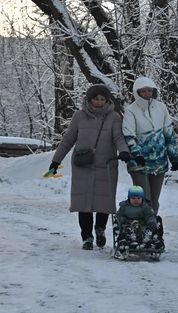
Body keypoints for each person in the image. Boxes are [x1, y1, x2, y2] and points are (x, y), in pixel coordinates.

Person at [45, 84, 133, 250]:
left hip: (105, 166)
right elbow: (68, 140)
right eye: (96, 99)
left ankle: (100, 230)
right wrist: (56, 161)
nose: (99, 102)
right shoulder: (79, 116)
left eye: (102, 99)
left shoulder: (114, 117)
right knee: (83, 203)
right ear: (89, 99)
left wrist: (124, 152)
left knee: (103, 202)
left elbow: (119, 138)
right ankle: (86, 236)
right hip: (83, 165)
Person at [121, 76, 178, 215]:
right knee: (143, 198)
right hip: (139, 163)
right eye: (143, 91)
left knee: (154, 200)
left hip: (159, 161)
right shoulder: (131, 111)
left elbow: (168, 134)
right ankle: (139, 227)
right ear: (137, 92)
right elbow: (129, 135)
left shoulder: (161, 107)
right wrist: (136, 153)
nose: (147, 94)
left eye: (149, 90)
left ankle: (152, 227)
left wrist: (174, 156)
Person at [114, 185, 161, 250]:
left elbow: (150, 215)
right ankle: (132, 240)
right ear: (129, 198)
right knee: (128, 230)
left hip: (142, 225)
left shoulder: (145, 207)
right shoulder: (124, 207)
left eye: (138, 198)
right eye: (133, 198)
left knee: (146, 228)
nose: (136, 200)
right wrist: (124, 221)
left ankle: (146, 237)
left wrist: (151, 222)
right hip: (128, 225)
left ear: (142, 198)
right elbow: (118, 216)